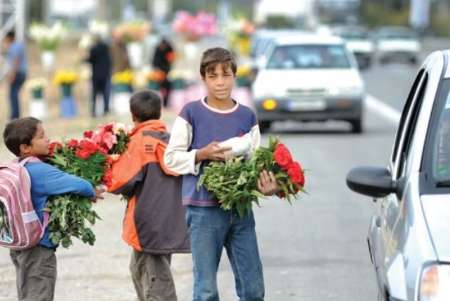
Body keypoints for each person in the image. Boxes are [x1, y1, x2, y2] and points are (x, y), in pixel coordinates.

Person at [164, 47, 279, 301]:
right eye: (213, 76)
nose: (220, 82)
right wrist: (201, 154)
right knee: (206, 291)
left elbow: (254, 162)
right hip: (203, 211)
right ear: (203, 79)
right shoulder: (191, 113)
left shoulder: (246, 116)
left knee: (253, 289)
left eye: (225, 75)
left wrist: (268, 186)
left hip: (240, 211)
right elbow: (170, 159)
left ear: (234, 76)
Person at [2, 117, 102, 301]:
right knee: (39, 295)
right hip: (38, 247)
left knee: (27, 293)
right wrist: (92, 192)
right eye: (41, 136)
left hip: (18, 244)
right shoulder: (40, 171)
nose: (48, 139)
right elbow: (81, 185)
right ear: (26, 147)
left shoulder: (16, 166)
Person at [108, 90, 190, 301]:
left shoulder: (139, 144)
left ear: (133, 115)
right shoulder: (171, 142)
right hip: (169, 222)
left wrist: (109, 162)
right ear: (160, 113)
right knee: (142, 270)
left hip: (147, 224)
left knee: (156, 282)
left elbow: (121, 182)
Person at [3, 31, 27, 119]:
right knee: (14, 94)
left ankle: (15, 115)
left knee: (13, 94)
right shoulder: (18, 46)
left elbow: (16, 61)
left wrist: (12, 74)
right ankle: (15, 115)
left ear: (9, 38)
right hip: (22, 72)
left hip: (18, 73)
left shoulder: (14, 47)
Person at [86, 34, 112, 117]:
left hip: (96, 75)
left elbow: (90, 60)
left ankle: (93, 111)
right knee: (105, 94)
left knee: (94, 94)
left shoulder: (93, 49)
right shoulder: (106, 48)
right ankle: (105, 110)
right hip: (105, 74)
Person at [152, 38, 175, 107]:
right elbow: (154, 62)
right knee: (159, 89)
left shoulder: (169, 49)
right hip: (159, 72)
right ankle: (159, 103)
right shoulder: (158, 50)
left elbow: (172, 60)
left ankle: (165, 103)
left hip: (168, 72)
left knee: (167, 89)